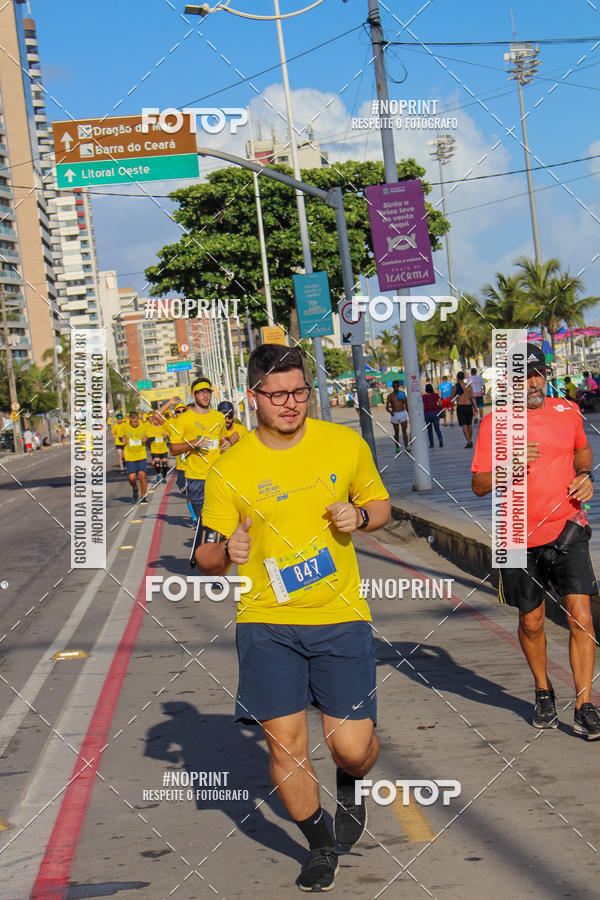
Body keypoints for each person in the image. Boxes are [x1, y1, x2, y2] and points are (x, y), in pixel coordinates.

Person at [193, 344, 391, 892]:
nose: (291, 403)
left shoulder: (343, 443)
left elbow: (381, 506)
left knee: (351, 749)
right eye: (277, 394)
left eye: (299, 391)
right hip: (265, 621)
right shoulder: (229, 469)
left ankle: (351, 781)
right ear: (253, 397)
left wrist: (360, 515)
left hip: (340, 615)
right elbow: (204, 555)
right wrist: (225, 552)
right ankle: (319, 842)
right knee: (286, 745)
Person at [471, 342, 600, 739]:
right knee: (531, 622)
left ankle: (584, 704)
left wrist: (585, 476)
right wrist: (508, 467)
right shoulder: (495, 424)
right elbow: (477, 485)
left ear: (545, 374)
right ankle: (544, 690)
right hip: (516, 534)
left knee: (582, 616)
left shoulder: (568, 412)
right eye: (520, 377)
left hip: (567, 528)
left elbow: (582, 450)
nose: (531, 383)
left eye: (536, 374)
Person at [167, 377, 227, 521]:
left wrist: (226, 445)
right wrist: (192, 443)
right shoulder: (183, 419)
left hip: (218, 476)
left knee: (221, 519)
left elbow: (223, 442)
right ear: (193, 395)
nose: (206, 395)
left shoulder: (219, 417)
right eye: (201, 392)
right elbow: (173, 449)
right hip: (196, 478)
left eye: (208, 392)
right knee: (203, 520)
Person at [120, 411, 149, 503]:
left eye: (135, 422)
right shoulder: (125, 427)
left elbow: (150, 437)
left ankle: (143, 496)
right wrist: (122, 439)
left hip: (141, 455)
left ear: (138, 419)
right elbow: (120, 437)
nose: (134, 424)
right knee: (132, 478)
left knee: (142, 476)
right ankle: (135, 488)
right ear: (129, 420)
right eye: (132, 422)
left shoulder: (144, 426)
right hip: (130, 456)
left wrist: (146, 439)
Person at [451, 371, 478, 448]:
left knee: (464, 425)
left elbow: (452, 399)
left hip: (461, 407)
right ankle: (469, 440)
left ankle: (469, 441)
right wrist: (475, 407)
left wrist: (452, 408)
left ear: (458, 378)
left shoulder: (455, 387)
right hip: (469, 406)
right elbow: (473, 397)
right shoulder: (469, 386)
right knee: (469, 424)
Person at [385, 380, 409, 450]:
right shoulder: (390, 396)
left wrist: (409, 413)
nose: (395, 387)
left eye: (397, 386)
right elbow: (387, 407)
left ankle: (406, 446)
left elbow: (406, 404)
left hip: (402, 413)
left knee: (404, 431)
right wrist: (390, 411)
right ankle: (397, 447)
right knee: (396, 432)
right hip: (394, 414)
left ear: (399, 386)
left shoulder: (402, 393)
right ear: (392, 386)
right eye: (394, 386)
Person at [145, 417, 170, 484]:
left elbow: (169, 436)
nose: (156, 421)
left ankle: (164, 477)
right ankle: (158, 474)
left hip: (163, 449)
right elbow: (149, 437)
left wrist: (166, 436)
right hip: (155, 449)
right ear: (153, 420)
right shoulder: (150, 428)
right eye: (154, 419)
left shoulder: (163, 427)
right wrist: (151, 438)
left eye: (157, 419)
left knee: (164, 464)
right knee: (157, 463)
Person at [422, 384, 443, 448]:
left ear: (425, 389)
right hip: (435, 413)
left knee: (429, 430)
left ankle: (432, 444)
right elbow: (441, 403)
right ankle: (440, 439)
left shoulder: (423, 397)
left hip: (427, 414)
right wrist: (438, 407)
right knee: (437, 428)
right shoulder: (435, 395)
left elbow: (422, 406)